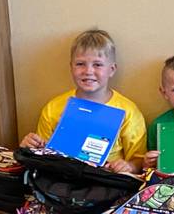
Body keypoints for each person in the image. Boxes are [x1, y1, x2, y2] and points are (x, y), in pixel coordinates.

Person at [19, 29, 146, 173]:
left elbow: (139, 160)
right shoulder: (53, 108)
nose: (88, 71)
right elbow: (43, 156)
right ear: (71, 67)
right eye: (80, 64)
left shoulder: (127, 111)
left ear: (111, 69)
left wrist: (129, 166)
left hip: (107, 183)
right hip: (62, 181)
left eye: (97, 64)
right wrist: (30, 148)